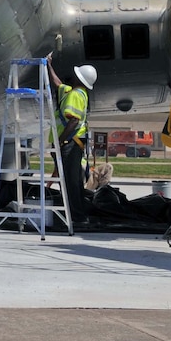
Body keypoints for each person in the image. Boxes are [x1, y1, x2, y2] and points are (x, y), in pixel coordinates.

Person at [46, 55, 97, 224]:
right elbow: (58, 84)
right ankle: (76, 214)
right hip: (74, 143)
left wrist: (60, 141)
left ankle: (76, 216)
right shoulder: (78, 93)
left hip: (69, 144)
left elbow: (73, 120)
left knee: (70, 181)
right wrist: (49, 66)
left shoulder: (75, 95)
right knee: (72, 180)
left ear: (79, 79)